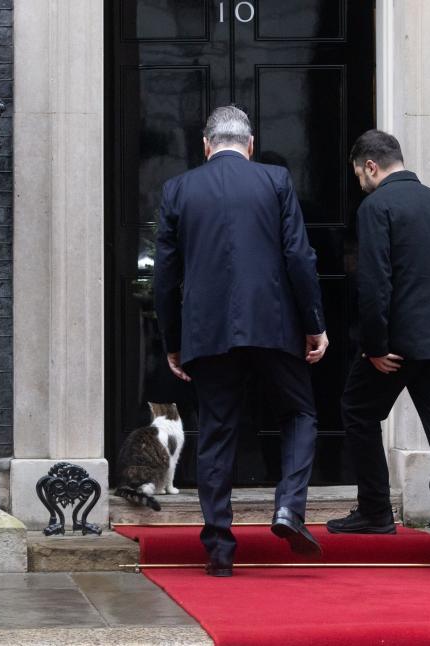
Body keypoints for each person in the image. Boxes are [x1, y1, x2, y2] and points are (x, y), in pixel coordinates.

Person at [154, 105, 329, 577]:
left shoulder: (178, 189)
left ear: (206, 146)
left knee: (216, 431)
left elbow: (165, 277)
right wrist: (315, 323)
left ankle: (219, 548)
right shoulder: (275, 181)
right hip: (274, 325)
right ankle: (289, 507)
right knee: (300, 412)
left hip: (207, 332)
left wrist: (172, 339)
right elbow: (299, 256)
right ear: (249, 145)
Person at [326, 129, 430, 576]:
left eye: (359, 173)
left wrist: (375, 347)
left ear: (371, 166)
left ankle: (375, 511)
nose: (360, 181)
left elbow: (374, 285)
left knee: (357, 410)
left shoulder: (377, 206)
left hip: (396, 345)